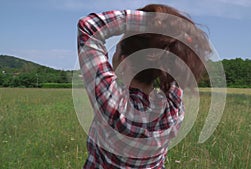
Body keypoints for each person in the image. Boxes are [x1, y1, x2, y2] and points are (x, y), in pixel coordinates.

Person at [77, 4, 212, 169]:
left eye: (116, 51)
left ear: (125, 63)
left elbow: (89, 27)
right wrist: (167, 27)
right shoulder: (173, 109)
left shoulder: (114, 106)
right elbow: (173, 64)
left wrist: (148, 21)